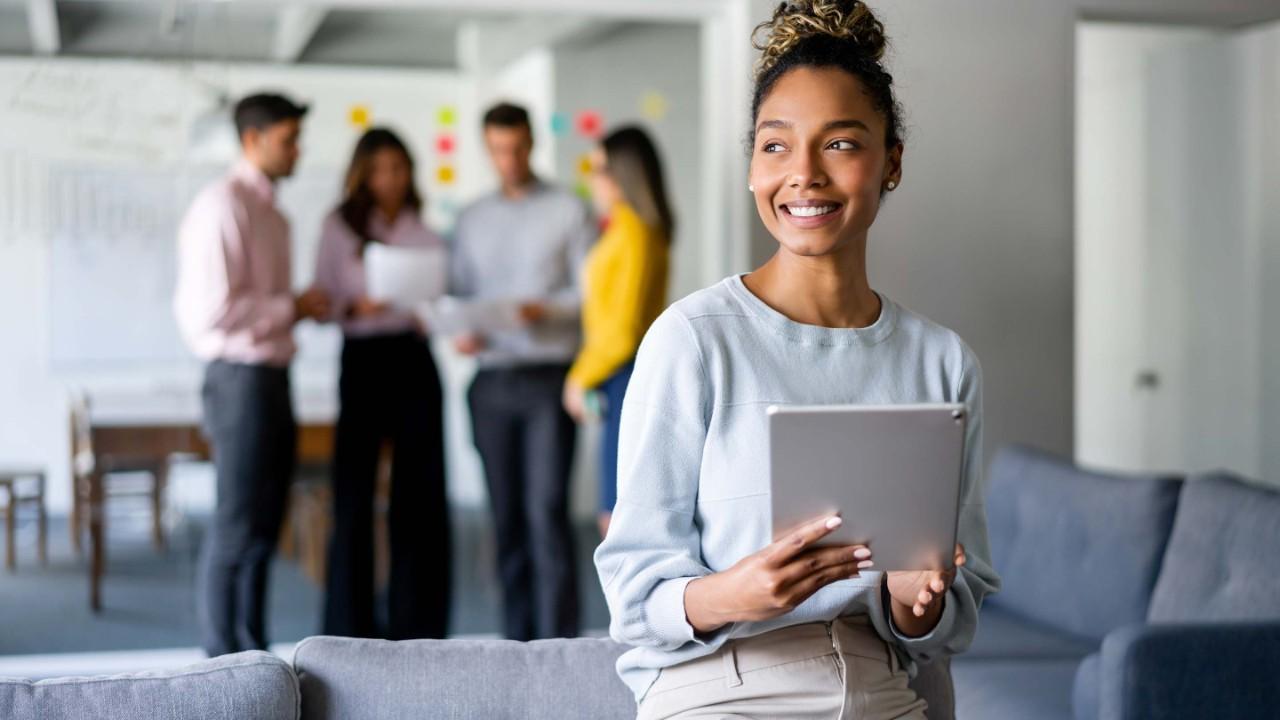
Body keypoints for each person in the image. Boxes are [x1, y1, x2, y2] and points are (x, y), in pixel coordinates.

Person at [593, 2, 1001, 717]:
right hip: (720, 689)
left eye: (840, 144)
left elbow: (945, 619)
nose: (803, 174)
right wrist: (736, 593)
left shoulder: (941, 363)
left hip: (877, 690)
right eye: (775, 146)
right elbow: (632, 594)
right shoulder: (693, 340)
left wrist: (913, 600)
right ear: (752, 164)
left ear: (891, 161)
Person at [174, 92, 329, 657]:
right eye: (288, 140)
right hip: (238, 382)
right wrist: (290, 307)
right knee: (237, 528)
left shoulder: (275, 214)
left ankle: (251, 655)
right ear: (252, 140)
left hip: (270, 381)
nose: (297, 151)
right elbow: (210, 312)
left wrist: (295, 309)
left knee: (265, 530)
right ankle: (222, 664)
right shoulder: (223, 205)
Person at [449, 102, 595, 641]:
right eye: (497, 150)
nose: (508, 159)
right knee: (505, 521)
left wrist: (546, 309)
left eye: (516, 148)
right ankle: (517, 643)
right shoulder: (470, 218)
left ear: (532, 144)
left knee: (547, 515)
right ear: (487, 150)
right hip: (490, 382)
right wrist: (461, 329)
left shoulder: (569, 210)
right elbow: (458, 294)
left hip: (546, 380)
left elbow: (590, 297)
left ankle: (559, 643)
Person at [314, 127, 451, 640]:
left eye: (398, 168)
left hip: (414, 359)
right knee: (352, 495)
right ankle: (347, 628)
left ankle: (419, 627)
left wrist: (430, 315)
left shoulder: (427, 234)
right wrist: (354, 306)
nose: (390, 179)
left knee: (420, 497)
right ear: (362, 174)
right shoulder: (338, 228)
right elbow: (322, 300)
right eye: (379, 170)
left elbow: (442, 304)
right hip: (363, 360)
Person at [562, 126, 674, 540]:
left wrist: (578, 377)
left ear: (622, 172)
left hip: (623, 375)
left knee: (616, 517)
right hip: (615, 377)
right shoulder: (626, 228)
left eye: (599, 168)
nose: (592, 178)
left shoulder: (636, 233)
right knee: (615, 514)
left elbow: (623, 331)